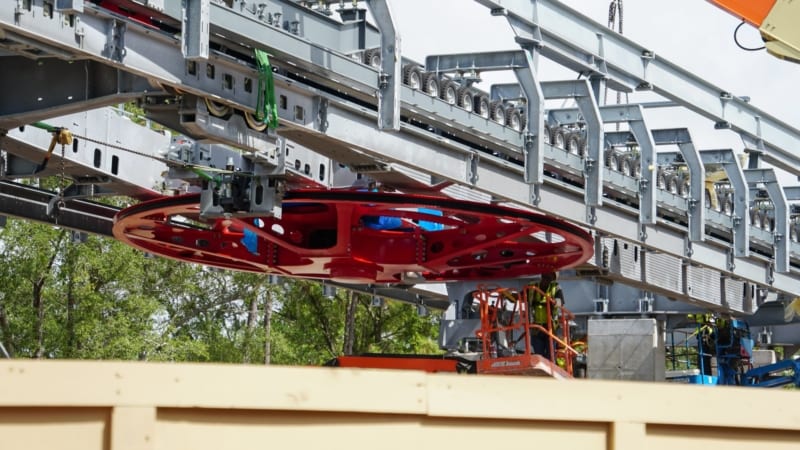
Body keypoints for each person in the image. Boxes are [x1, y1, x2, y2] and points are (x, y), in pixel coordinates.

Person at [528, 272, 563, 361]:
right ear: (542, 276)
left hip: (550, 328)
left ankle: (550, 371)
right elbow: (521, 295)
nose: (546, 280)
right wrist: (510, 296)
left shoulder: (556, 287)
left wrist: (556, 302)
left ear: (552, 279)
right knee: (539, 356)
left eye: (550, 278)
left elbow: (560, 300)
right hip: (537, 328)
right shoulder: (533, 287)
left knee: (550, 356)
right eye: (545, 276)